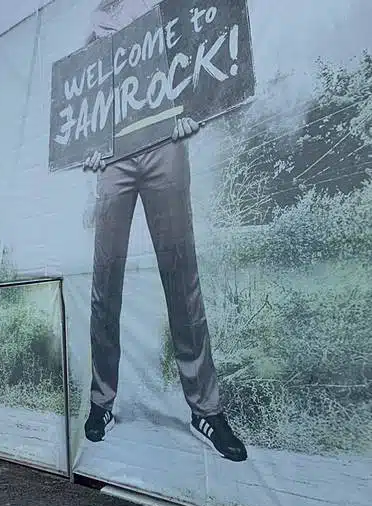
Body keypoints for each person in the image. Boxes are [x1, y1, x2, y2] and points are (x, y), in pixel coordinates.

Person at [79, 0, 247, 462]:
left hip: (164, 145)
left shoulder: (172, 7)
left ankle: (206, 409)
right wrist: (93, 146)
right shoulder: (98, 18)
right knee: (104, 282)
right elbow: (85, 98)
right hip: (115, 156)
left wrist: (197, 110)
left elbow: (202, 60)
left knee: (181, 277)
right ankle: (101, 400)